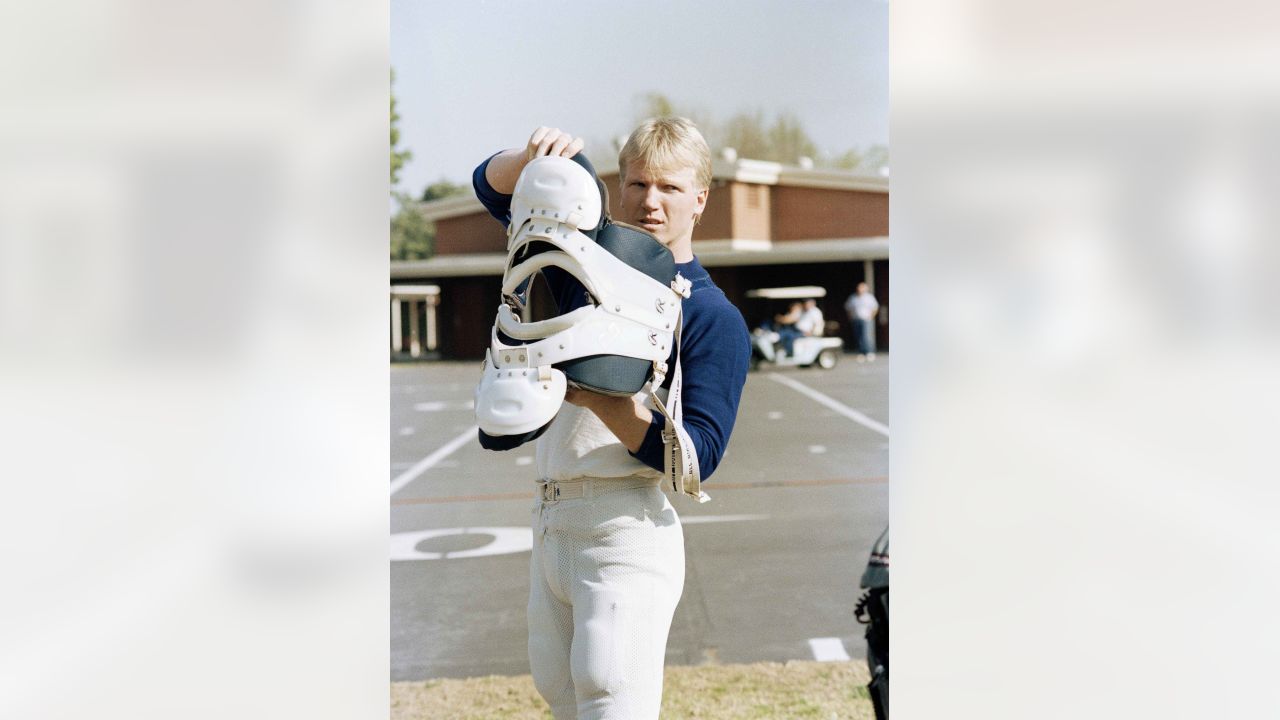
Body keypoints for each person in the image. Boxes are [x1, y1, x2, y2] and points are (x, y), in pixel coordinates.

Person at [472, 119, 750, 720]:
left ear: (700, 199)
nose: (651, 202)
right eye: (638, 183)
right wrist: (531, 159)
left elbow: (699, 458)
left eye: (671, 188)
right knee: (565, 699)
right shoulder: (582, 266)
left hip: (625, 527)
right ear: (615, 188)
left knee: (610, 696)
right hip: (550, 519)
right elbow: (492, 191)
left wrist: (604, 402)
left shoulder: (710, 314)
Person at [845, 282, 879, 361]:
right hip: (856, 319)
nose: (860, 289)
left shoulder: (869, 297)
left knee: (867, 336)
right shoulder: (853, 297)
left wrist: (870, 317)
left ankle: (870, 352)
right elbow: (848, 308)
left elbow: (875, 308)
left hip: (866, 320)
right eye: (859, 288)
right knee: (859, 336)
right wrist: (851, 317)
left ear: (866, 289)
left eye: (862, 288)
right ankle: (861, 353)